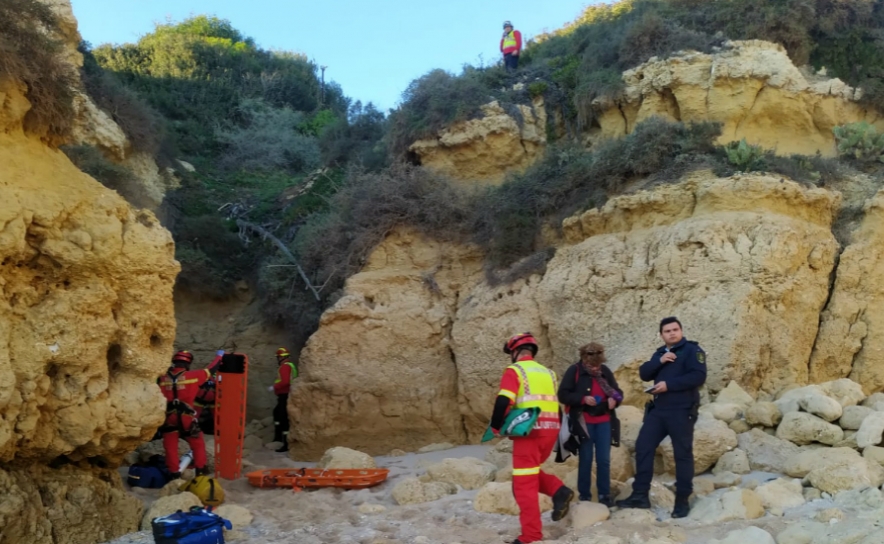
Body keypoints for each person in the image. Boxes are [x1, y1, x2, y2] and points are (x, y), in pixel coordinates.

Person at [616, 317, 707, 518]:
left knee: (682, 454)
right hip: (658, 411)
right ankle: (640, 495)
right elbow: (644, 373)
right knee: (643, 446)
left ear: (681, 331)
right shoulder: (660, 353)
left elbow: (699, 376)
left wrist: (669, 385)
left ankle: (682, 500)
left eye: (675, 329)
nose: (672, 333)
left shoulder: (692, 350)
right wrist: (660, 361)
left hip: (682, 410)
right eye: (667, 331)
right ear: (661, 335)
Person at [489, 333, 574, 544]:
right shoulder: (548, 373)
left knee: (523, 486)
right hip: (550, 430)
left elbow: (503, 401)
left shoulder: (515, 370)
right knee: (529, 473)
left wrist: (496, 426)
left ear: (515, 352)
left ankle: (531, 536)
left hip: (529, 433)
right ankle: (559, 490)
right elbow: (555, 406)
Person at [557, 342, 624, 506]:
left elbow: (618, 392)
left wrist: (614, 400)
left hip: (604, 421)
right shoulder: (575, 370)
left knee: (604, 460)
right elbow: (563, 394)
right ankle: (585, 496)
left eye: (597, 364)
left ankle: (604, 495)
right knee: (586, 459)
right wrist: (583, 399)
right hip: (584, 422)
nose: (595, 367)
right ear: (583, 358)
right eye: (591, 364)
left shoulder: (605, 371)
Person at [157, 350, 212, 479]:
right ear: (188, 364)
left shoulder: (163, 378)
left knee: (170, 445)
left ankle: (174, 473)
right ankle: (200, 471)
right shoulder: (193, 375)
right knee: (197, 443)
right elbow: (211, 369)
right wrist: (219, 357)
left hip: (169, 416)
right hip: (186, 417)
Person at [269, 347, 298, 453]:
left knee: (283, 418)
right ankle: (278, 437)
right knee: (277, 413)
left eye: (278, 357)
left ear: (281, 357)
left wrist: (274, 387)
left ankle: (285, 443)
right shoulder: (290, 366)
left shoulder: (285, 367)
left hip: (285, 395)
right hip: (286, 394)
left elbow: (285, 382)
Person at [194, 350, 224, 434]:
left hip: (214, 400)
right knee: (193, 416)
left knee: (218, 417)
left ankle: (220, 431)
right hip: (200, 399)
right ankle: (190, 431)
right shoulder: (208, 372)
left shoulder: (223, 375)